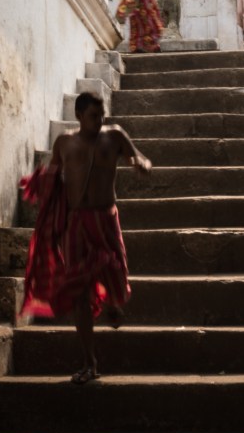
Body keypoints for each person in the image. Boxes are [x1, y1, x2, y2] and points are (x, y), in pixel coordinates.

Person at [20, 92, 152, 384]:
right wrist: (41, 191)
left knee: (115, 272)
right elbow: (51, 176)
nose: (100, 120)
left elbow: (138, 156)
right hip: (76, 223)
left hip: (106, 220)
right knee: (78, 292)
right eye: (94, 115)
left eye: (102, 114)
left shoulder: (114, 136)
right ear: (79, 116)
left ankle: (113, 302)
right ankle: (89, 362)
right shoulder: (64, 142)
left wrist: (141, 164)